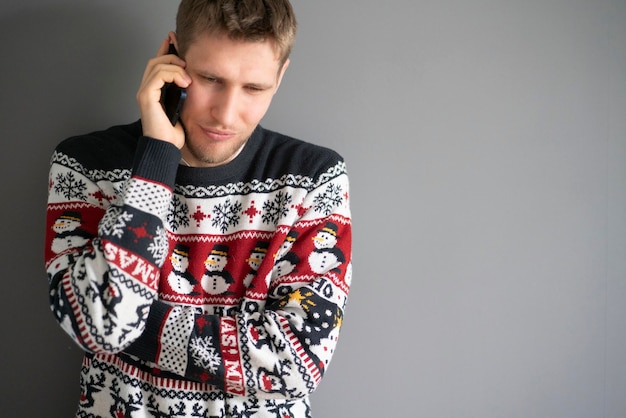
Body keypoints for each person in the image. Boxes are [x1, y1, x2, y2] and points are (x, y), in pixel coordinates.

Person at [44, 0, 352, 416]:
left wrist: (134, 329)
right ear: (170, 58)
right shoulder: (86, 164)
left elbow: (295, 364)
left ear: (280, 76)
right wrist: (154, 161)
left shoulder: (313, 178)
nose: (225, 114)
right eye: (210, 79)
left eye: (254, 88)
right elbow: (102, 325)